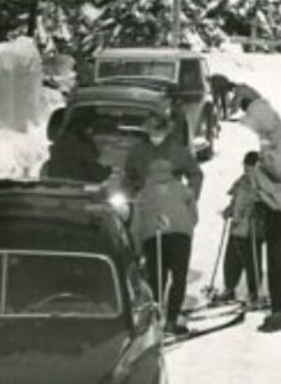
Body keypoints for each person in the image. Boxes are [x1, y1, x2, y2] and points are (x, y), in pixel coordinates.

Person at [125, 112, 203, 335]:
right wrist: (135, 197)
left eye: (159, 131)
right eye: (151, 131)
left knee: (167, 273)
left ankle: (164, 317)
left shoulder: (178, 151)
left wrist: (189, 197)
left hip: (162, 209)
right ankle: (159, 316)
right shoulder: (138, 152)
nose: (155, 135)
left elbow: (196, 174)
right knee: (157, 273)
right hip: (149, 207)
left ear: (167, 131)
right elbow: (128, 177)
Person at [239, 92, 281, 333]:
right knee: (278, 259)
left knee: (279, 259)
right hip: (276, 203)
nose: (256, 132)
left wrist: (255, 170)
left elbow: (279, 172)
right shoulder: (273, 135)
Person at [219, 152, 265, 305]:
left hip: (252, 230)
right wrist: (229, 210)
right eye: (245, 168)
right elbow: (236, 199)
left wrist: (259, 214)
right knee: (231, 260)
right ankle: (229, 288)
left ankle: (254, 292)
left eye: (250, 169)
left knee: (252, 262)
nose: (247, 171)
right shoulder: (241, 182)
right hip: (237, 227)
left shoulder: (263, 185)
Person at [40, 107, 109, 184]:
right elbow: (92, 168)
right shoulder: (83, 144)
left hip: (61, 185)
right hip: (77, 186)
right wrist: (106, 173)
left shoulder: (62, 140)